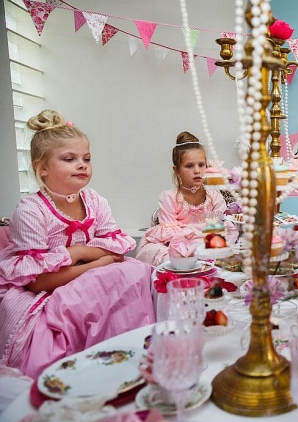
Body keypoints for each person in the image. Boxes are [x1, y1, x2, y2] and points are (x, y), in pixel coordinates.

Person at [0, 110, 155, 379]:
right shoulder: (30, 210)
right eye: (69, 159)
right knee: (96, 285)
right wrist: (97, 261)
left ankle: (129, 355)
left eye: (87, 158)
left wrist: (80, 253)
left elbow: (116, 246)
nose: (82, 165)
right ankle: (84, 370)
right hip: (42, 288)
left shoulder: (94, 201)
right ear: (42, 167)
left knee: (136, 271)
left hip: (79, 274)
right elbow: (38, 282)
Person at [134, 131, 235, 266]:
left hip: (208, 244)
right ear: (177, 170)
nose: (197, 171)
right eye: (189, 166)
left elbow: (218, 230)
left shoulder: (214, 196)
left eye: (201, 165)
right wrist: (201, 232)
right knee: (163, 255)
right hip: (177, 246)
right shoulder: (168, 197)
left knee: (226, 246)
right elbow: (172, 237)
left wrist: (193, 233)